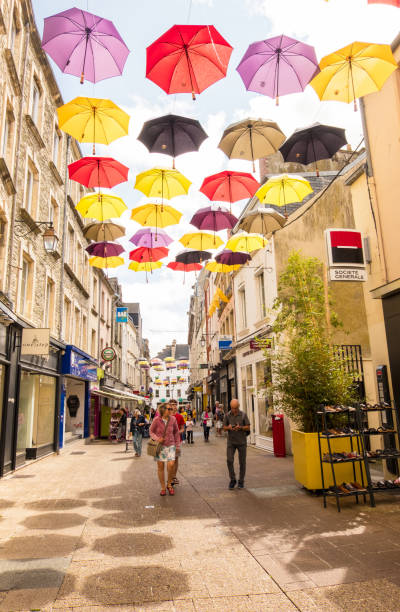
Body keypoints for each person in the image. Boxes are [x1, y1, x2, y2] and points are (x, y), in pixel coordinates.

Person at [149, 403, 180, 496]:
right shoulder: (156, 420)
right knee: (160, 467)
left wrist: (177, 446)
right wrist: (157, 438)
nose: (171, 410)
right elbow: (151, 431)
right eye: (169, 409)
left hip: (171, 445)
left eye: (171, 409)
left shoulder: (173, 419)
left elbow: (176, 433)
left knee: (171, 465)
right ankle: (163, 487)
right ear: (163, 410)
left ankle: (169, 484)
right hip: (160, 446)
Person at [223, 399, 250, 489]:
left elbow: (248, 427)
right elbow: (224, 427)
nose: (234, 410)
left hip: (242, 442)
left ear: (238, 406)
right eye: (232, 408)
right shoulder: (227, 415)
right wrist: (229, 428)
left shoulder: (243, 415)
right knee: (229, 460)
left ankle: (241, 481)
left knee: (242, 462)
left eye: (236, 408)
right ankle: (233, 479)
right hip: (231, 442)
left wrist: (241, 427)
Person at [171, 400, 185, 486]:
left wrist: (177, 432)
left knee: (175, 459)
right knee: (170, 460)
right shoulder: (166, 416)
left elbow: (183, 428)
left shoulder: (180, 416)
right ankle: (170, 477)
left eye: (175, 405)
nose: (173, 406)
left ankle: (174, 476)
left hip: (177, 441)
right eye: (172, 405)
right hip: (168, 442)